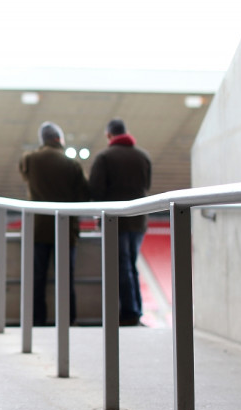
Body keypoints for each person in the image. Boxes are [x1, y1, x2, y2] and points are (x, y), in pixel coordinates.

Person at [19, 121, 90, 326]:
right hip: (66, 229)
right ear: (59, 139)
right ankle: (67, 320)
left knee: (37, 278)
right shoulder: (72, 164)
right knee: (65, 279)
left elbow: (25, 176)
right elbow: (84, 195)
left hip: (38, 228)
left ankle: (37, 321)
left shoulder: (30, 159)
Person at [89, 118, 152, 326]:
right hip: (139, 220)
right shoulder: (143, 156)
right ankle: (136, 310)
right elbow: (147, 185)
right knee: (131, 265)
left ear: (109, 135)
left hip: (115, 221)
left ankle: (129, 313)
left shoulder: (105, 157)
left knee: (122, 266)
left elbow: (96, 191)